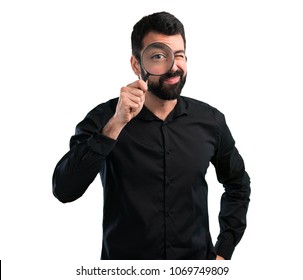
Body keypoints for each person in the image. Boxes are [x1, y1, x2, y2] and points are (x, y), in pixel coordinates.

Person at [52, 11, 251, 260]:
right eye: (159, 56)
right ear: (137, 65)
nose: (174, 67)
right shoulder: (105, 118)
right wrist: (114, 126)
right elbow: (64, 190)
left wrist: (224, 250)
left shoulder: (210, 121)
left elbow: (238, 184)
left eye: (179, 56)